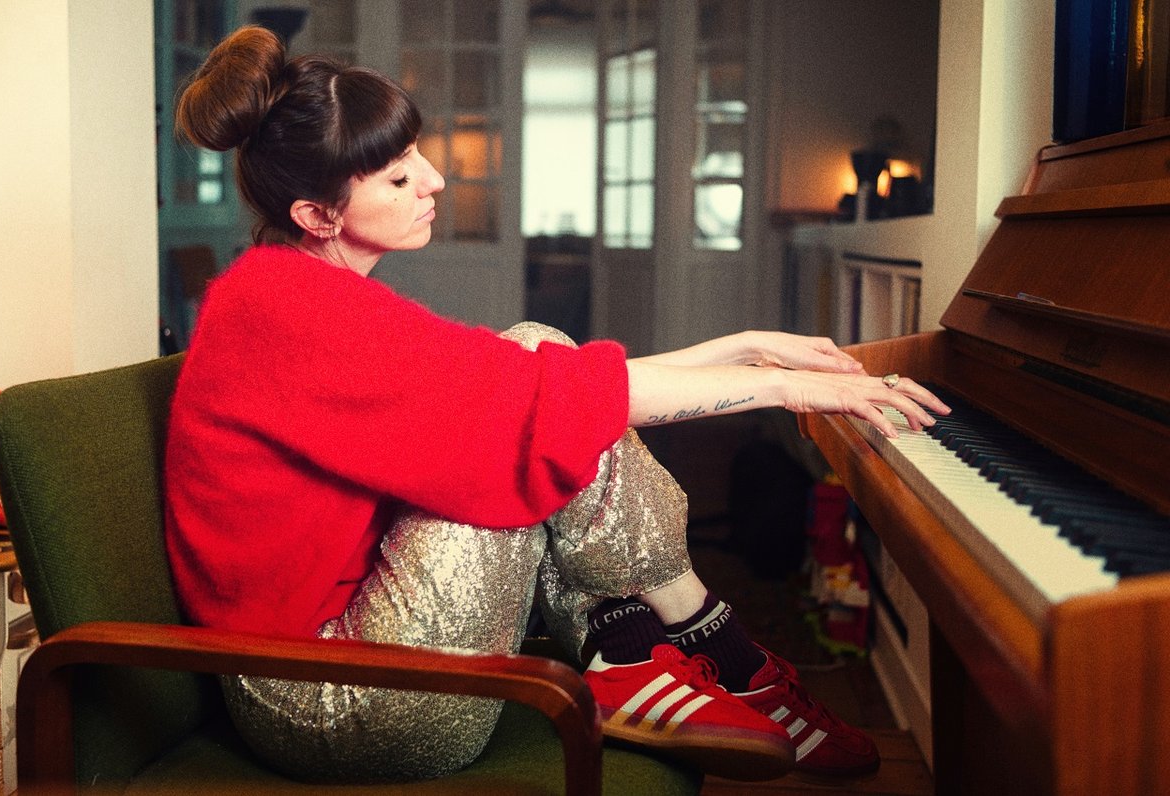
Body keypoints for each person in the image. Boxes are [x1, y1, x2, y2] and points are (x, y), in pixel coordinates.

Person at [165, 25, 949, 786]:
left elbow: (525, 380)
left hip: (370, 639)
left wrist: (738, 349)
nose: (434, 181)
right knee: (525, 409)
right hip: (330, 697)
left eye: (416, 156)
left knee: (534, 360)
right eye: (398, 178)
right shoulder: (281, 313)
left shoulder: (293, 290)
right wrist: (781, 388)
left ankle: (633, 653)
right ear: (318, 216)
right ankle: (705, 647)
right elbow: (533, 399)